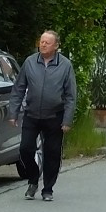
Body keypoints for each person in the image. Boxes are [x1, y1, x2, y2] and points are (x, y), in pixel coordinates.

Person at [8, 30, 76, 202]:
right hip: (31, 114)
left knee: (52, 153)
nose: (43, 44)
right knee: (25, 149)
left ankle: (48, 188)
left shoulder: (65, 65)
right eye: (41, 41)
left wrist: (67, 119)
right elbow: (19, 88)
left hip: (54, 116)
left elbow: (70, 95)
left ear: (56, 46)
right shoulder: (30, 62)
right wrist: (13, 112)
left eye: (47, 42)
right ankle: (32, 179)